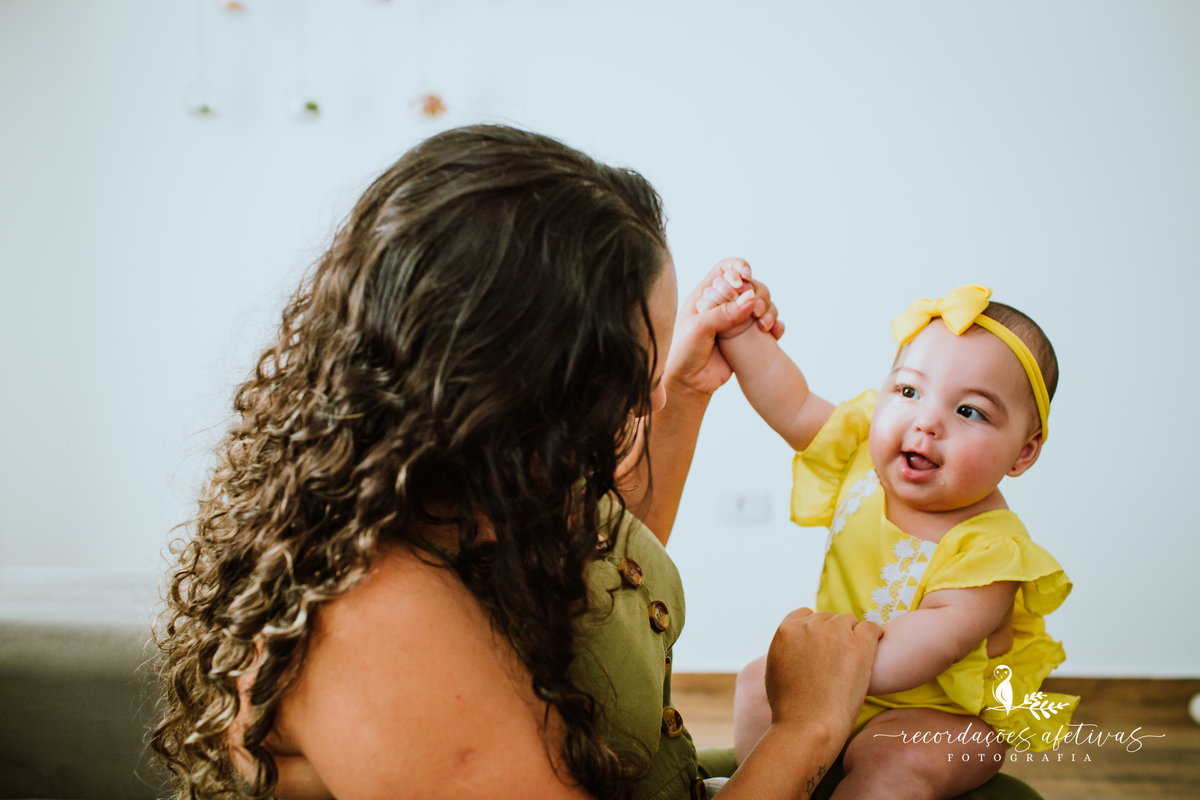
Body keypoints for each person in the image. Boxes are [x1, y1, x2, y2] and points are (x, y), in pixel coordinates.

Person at [150, 125, 885, 800]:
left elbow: (604, 581)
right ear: (514, 390)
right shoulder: (375, 621)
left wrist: (686, 391)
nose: (647, 399)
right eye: (631, 376)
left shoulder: (471, 489)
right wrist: (805, 726)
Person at [693, 273, 1078, 798]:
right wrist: (739, 332)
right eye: (908, 391)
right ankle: (773, 786)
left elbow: (928, 647)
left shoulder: (992, 552)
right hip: (834, 682)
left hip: (940, 715)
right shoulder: (860, 455)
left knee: (895, 756)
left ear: (1023, 453)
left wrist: (818, 682)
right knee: (756, 683)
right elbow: (793, 403)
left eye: (969, 411)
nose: (926, 422)